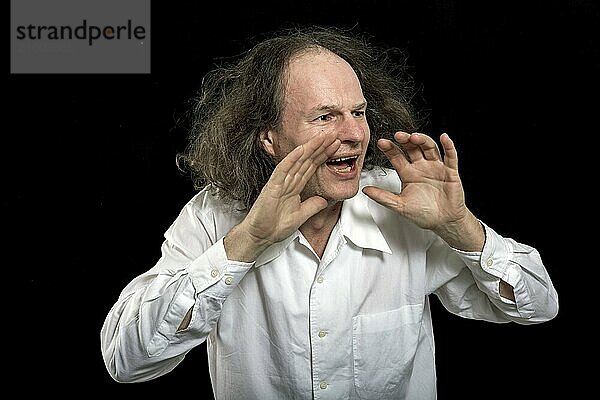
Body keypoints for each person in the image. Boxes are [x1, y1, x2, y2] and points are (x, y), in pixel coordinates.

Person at [100, 25, 558, 399]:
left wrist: (462, 229)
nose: (355, 134)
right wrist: (245, 244)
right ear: (269, 139)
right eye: (325, 117)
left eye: (358, 113)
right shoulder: (212, 217)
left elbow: (538, 307)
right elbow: (126, 360)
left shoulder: (404, 206)